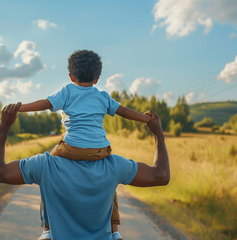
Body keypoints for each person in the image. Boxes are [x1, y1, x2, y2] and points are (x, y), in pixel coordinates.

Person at [18, 50, 152, 240]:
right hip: (101, 150)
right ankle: (115, 232)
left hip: (71, 148)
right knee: (110, 184)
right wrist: (145, 119)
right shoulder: (103, 96)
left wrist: (20, 108)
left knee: (47, 174)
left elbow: (45, 104)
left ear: (71, 76)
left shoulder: (67, 91)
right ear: (97, 78)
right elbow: (123, 111)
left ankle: (47, 228)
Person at [0, 102, 170, 240]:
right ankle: (115, 234)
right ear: (98, 124)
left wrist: (3, 127)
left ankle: (47, 230)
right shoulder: (114, 166)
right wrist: (158, 134)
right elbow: (161, 176)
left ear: (66, 123)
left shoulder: (45, 165)